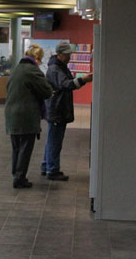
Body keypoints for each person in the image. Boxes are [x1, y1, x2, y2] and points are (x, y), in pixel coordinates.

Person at [41, 42, 93, 181]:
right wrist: (83, 80)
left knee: (52, 139)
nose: (69, 57)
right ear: (59, 54)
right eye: (67, 55)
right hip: (57, 110)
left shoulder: (59, 67)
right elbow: (66, 84)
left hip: (57, 109)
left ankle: (46, 166)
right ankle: (52, 170)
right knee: (55, 141)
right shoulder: (55, 69)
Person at [5, 44, 53, 189]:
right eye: (41, 59)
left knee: (16, 147)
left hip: (12, 114)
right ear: (36, 58)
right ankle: (20, 178)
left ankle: (16, 174)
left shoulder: (16, 69)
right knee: (26, 147)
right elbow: (46, 91)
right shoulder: (33, 71)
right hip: (26, 114)